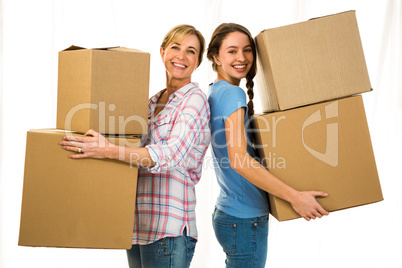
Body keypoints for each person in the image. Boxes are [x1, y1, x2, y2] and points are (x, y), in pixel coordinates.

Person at [60, 24, 211, 268]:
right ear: (162, 52)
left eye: (191, 51)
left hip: (167, 230)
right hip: (138, 226)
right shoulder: (151, 103)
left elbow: (171, 155)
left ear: (198, 62)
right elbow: (130, 148)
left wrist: (108, 150)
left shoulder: (194, 100)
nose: (181, 56)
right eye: (175, 47)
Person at [206, 23, 329, 268]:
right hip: (243, 218)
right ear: (215, 56)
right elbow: (239, 160)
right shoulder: (232, 94)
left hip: (231, 213)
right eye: (232, 51)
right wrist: (295, 197)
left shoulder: (216, 91)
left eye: (247, 50)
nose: (242, 58)